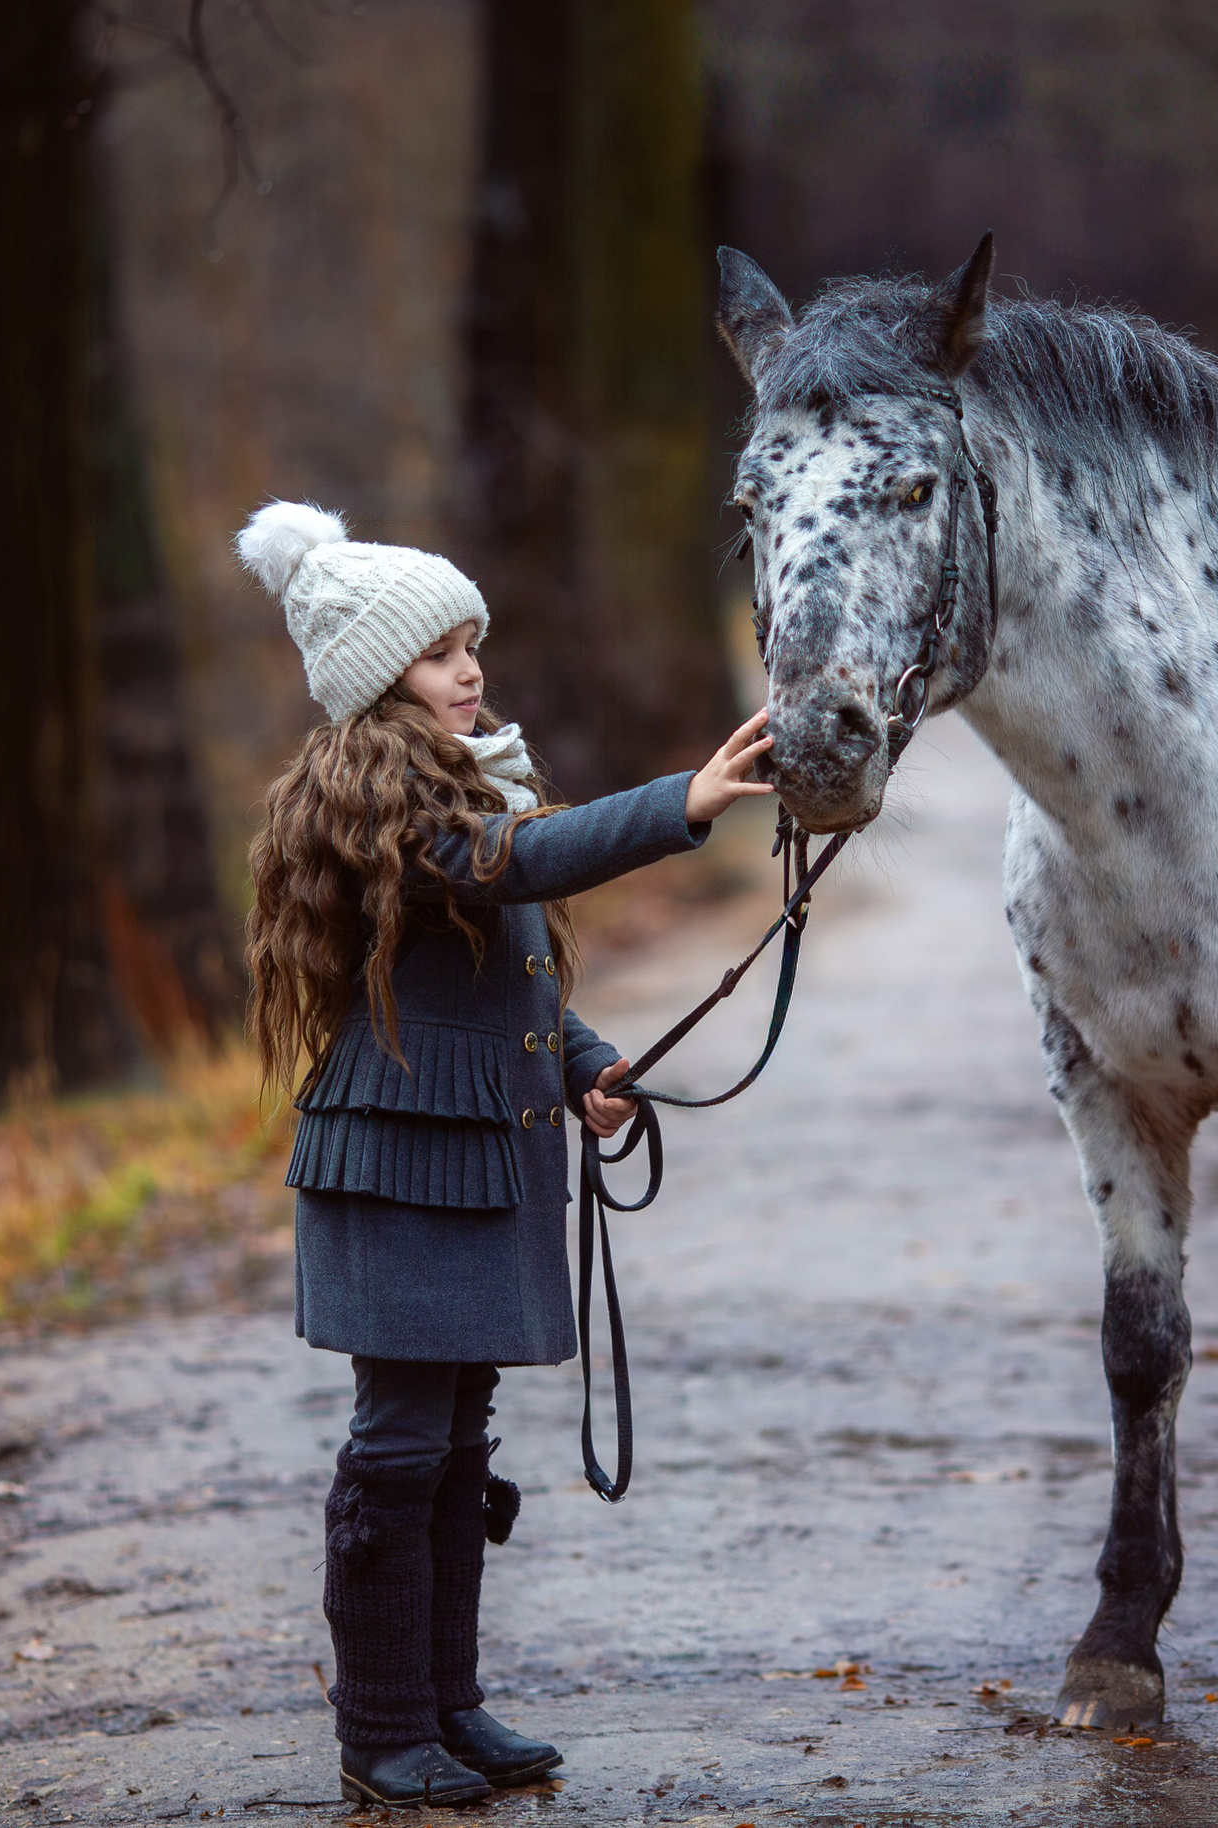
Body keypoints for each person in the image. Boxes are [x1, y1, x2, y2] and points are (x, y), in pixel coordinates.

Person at [236, 502, 773, 1808]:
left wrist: (588, 1067)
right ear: (379, 680)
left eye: (473, 644)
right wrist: (684, 805)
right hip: (397, 1168)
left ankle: (450, 1709)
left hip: (466, 1158)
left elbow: (507, 981)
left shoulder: (461, 793)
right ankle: (381, 1730)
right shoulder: (383, 814)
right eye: (440, 653)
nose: (470, 669)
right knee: (403, 1442)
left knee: (458, 1441)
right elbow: (517, 866)